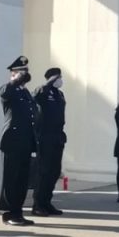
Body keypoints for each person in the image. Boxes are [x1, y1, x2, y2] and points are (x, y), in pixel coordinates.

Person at [0, 55, 37, 226]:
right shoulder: (9, 89)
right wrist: (14, 81)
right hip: (12, 141)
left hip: (26, 141)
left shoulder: (25, 92)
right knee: (11, 179)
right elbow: (4, 92)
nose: (25, 74)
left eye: (26, 71)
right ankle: (8, 213)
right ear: (13, 73)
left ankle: (18, 212)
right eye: (21, 72)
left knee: (22, 180)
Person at [32, 67, 67, 216]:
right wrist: (47, 84)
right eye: (58, 78)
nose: (60, 80)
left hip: (58, 136)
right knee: (44, 171)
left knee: (54, 171)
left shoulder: (59, 94)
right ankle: (38, 205)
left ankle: (47, 202)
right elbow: (35, 98)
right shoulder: (42, 91)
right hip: (45, 137)